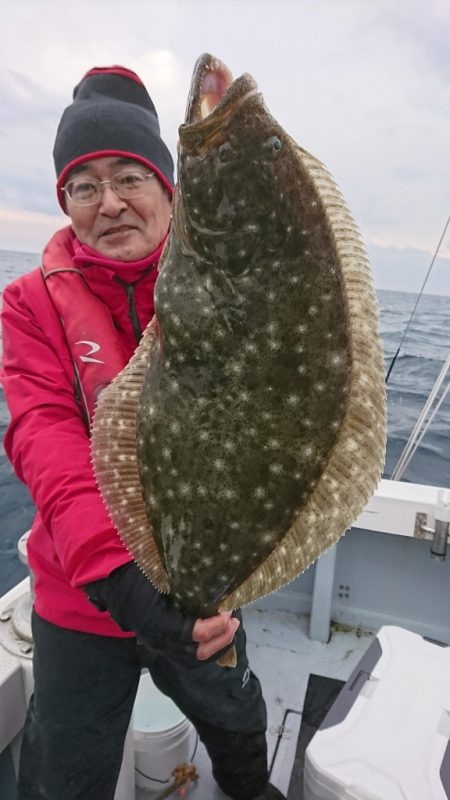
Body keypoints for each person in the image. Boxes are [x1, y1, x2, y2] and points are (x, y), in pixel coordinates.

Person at [0, 65, 286, 800]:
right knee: (63, 772)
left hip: (205, 576)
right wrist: (122, 584)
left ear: (169, 186)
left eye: (130, 175)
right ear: (64, 202)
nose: (111, 202)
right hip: (85, 592)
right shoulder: (28, 305)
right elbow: (46, 441)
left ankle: (251, 790)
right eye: (84, 186)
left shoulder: (228, 280)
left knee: (237, 721)